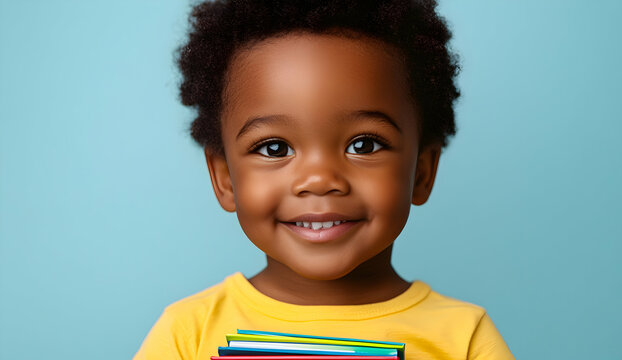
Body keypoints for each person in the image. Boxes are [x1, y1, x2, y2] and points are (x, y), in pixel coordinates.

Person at [134, 0, 514, 359]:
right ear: (224, 179)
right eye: (274, 149)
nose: (318, 180)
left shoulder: (465, 338)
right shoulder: (187, 335)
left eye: (364, 145)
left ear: (422, 172)